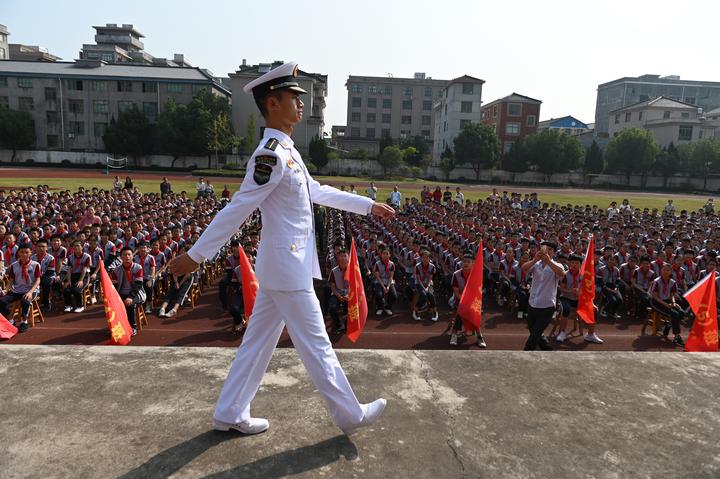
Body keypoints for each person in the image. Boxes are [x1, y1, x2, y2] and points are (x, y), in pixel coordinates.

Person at [169, 61, 394, 436]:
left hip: (283, 266)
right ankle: (350, 415)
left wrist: (368, 205)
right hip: (287, 268)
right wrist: (196, 255)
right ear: (272, 103)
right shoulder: (269, 154)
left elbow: (317, 191)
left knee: (256, 344)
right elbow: (239, 207)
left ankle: (229, 412)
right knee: (317, 343)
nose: (301, 104)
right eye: (293, 97)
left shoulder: (287, 150)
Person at [522, 241, 565, 351]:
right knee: (534, 331)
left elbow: (561, 274)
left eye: (550, 250)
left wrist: (549, 261)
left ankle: (526, 352)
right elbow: (524, 268)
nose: (546, 251)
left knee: (534, 335)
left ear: (554, 253)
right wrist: (535, 259)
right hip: (533, 303)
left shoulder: (557, 265)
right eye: (545, 249)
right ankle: (547, 348)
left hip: (547, 306)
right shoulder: (536, 264)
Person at [0, 243, 41, 333]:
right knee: (2, 301)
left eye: (27, 252)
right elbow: (11, 281)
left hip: (30, 290)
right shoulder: (14, 265)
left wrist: (30, 292)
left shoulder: (36, 265)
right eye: (22, 252)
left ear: (31, 253)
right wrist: (5, 290)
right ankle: (11, 319)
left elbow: (38, 280)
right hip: (17, 290)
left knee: (25, 301)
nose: (24, 254)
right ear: (18, 253)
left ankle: (24, 321)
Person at [110, 247, 142, 335]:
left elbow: (138, 285)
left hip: (136, 293)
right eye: (124, 255)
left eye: (129, 254)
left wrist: (130, 297)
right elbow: (115, 287)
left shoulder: (138, 267)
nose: (127, 257)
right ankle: (117, 325)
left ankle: (132, 326)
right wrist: (114, 298)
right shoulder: (116, 270)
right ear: (121, 257)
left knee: (128, 303)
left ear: (132, 256)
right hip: (121, 293)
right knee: (112, 305)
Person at [373, 245, 397, 316]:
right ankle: (380, 308)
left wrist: (388, 287)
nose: (385, 255)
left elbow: (391, 277)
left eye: (387, 254)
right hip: (380, 281)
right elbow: (378, 277)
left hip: (389, 282)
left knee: (394, 296)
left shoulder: (392, 264)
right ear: (381, 255)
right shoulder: (377, 264)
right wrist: (383, 287)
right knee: (379, 294)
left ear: (390, 255)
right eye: (384, 253)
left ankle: (388, 307)